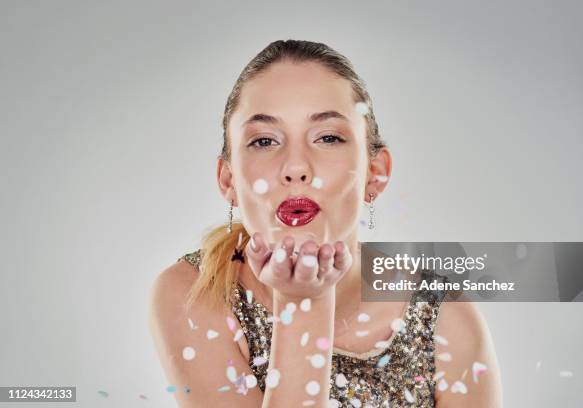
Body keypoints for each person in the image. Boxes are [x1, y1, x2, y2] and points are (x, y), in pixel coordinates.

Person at [148, 39, 502, 407]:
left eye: (328, 138)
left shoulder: (445, 317)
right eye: (265, 141)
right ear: (228, 180)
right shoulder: (194, 293)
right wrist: (304, 303)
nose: (296, 168)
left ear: (375, 173)